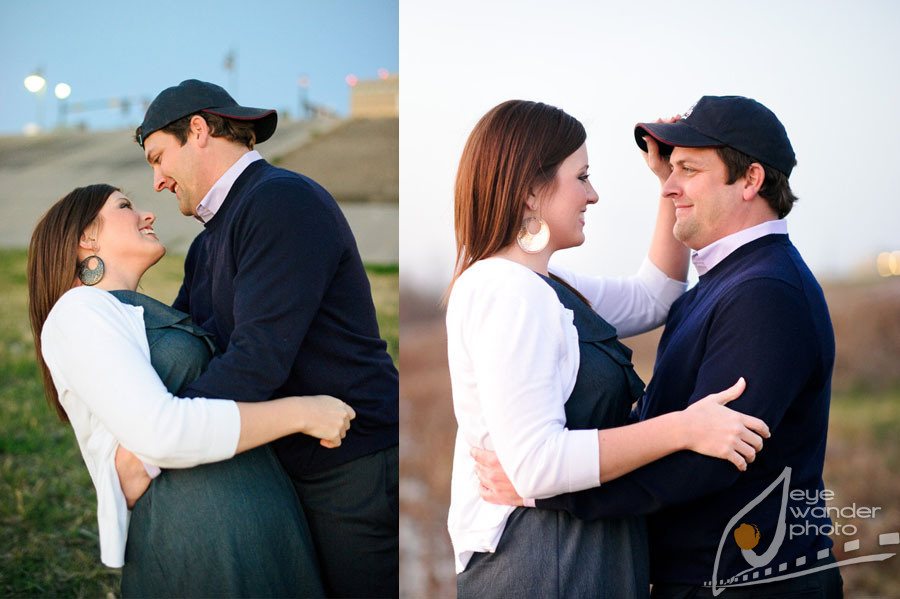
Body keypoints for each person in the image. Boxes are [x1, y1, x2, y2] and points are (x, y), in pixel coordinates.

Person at [475, 96, 843, 598]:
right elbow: (657, 300)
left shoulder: (765, 293)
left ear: (751, 180)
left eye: (688, 170)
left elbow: (709, 459)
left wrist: (549, 492)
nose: (670, 187)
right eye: (669, 171)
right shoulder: (725, 282)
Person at [128, 79, 399, 598]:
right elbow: (192, 350)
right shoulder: (208, 244)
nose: (157, 180)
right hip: (290, 469)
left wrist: (154, 447)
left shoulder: (280, 202)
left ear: (200, 131)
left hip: (354, 469)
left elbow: (257, 361)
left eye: (159, 157)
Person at [28, 184, 357, 597]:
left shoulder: (137, 311)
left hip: (260, 524)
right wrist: (302, 414)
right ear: (86, 236)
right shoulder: (78, 312)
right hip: (204, 536)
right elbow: (160, 432)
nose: (147, 214)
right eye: (126, 206)